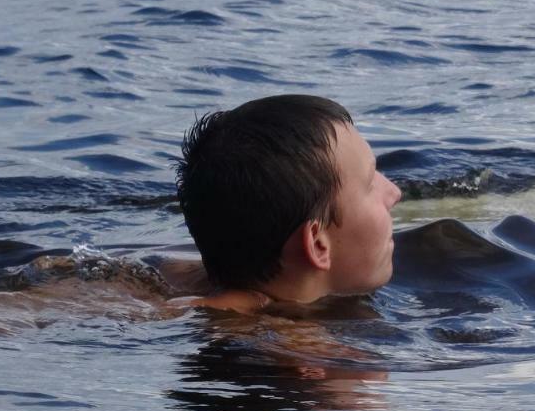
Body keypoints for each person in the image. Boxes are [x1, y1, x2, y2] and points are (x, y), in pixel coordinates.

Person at [171, 94, 402, 313]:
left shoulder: (184, 277)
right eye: (370, 183)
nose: (394, 193)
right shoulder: (303, 349)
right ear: (318, 245)